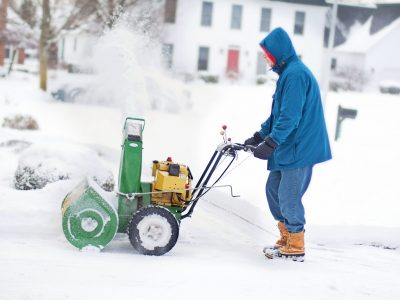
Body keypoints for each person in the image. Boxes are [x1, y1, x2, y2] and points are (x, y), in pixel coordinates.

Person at [244, 27, 332, 260]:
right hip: (290, 143)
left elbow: (290, 117)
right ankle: (286, 236)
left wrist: (271, 142)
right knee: (273, 189)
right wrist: (260, 135)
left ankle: (295, 245)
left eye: (267, 54)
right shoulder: (288, 74)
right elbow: (278, 114)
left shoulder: (295, 75)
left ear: (278, 53)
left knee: (288, 194)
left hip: (300, 146)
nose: (265, 58)